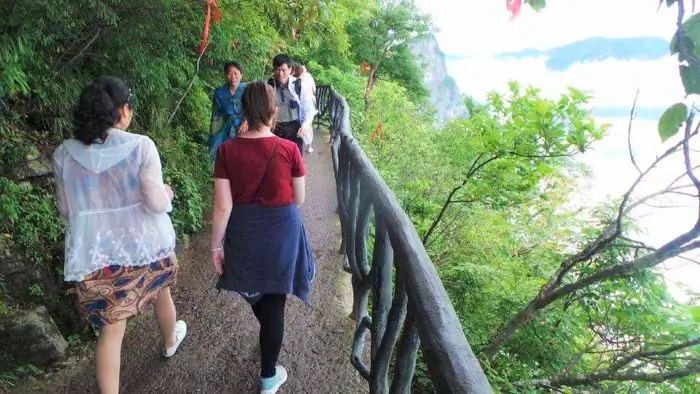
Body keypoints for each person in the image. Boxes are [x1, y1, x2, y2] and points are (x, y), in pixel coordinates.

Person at [52, 77, 187, 394]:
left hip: (95, 254)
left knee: (111, 330)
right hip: (144, 246)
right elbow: (155, 201)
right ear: (123, 110)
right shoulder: (141, 146)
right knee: (161, 291)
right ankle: (170, 341)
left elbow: (65, 210)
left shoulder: (63, 155)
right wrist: (166, 193)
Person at [211, 81, 315, 394]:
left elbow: (222, 205)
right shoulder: (290, 150)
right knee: (274, 304)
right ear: (273, 112)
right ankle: (269, 376)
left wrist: (216, 245)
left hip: (244, 233)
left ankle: (269, 369)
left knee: (263, 300)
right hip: (282, 232)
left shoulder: (226, 151)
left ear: (244, 110)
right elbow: (299, 198)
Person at [267, 54, 316, 154]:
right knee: (277, 159)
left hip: (295, 128)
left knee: (295, 159)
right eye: (277, 69)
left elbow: (309, 109)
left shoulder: (299, 85)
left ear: (290, 70)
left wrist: (305, 126)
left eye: (283, 70)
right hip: (276, 128)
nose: (280, 73)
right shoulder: (268, 85)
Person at [209, 61, 247, 162]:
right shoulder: (219, 93)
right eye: (229, 73)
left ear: (241, 74)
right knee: (224, 158)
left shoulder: (248, 90)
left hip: (244, 129)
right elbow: (216, 116)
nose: (233, 76)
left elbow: (254, 109)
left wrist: (247, 121)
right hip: (225, 129)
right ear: (226, 75)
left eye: (236, 73)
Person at [292, 61, 317, 153]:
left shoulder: (300, 82)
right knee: (308, 126)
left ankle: (308, 143)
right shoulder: (309, 78)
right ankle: (310, 146)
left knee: (307, 125)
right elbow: (314, 89)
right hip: (308, 103)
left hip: (306, 105)